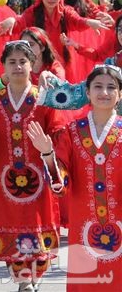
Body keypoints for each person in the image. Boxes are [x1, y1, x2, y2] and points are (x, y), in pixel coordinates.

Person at [0, 41, 65, 292]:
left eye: (23, 61)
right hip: (4, 179)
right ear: (4, 68)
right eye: (12, 62)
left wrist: (48, 146)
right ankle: (22, 280)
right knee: (11, 226)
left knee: (37, 225)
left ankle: (34, 276)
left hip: (38, 178)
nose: (18, 66)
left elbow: (59, 132)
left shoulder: (44, 98)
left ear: (32, 65)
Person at [29, 65, 122, 291]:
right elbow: (61, 178)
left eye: (112, 87)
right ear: (87, 92)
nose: (105, 92)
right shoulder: (73, 131)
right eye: (98, 86)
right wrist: (48, 154)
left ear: (120, 95)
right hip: (83, 223)